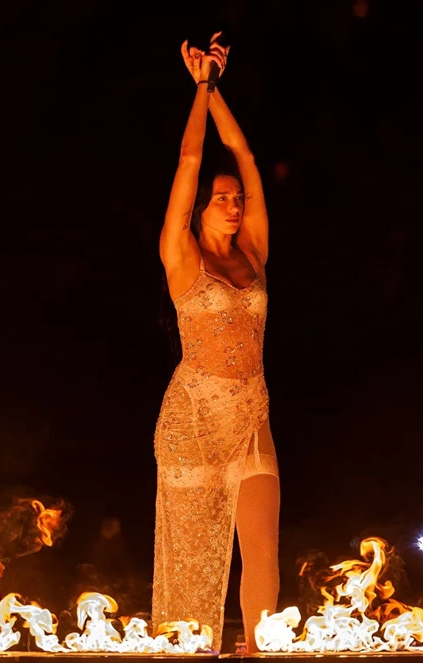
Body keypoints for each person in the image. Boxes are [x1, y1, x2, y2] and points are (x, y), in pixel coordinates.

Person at [152, 32, 280, 654]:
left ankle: (259, 649)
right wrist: (199, 89)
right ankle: (182, 650)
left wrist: (221, 89)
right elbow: (188, 160)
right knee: (191, 561)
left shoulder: (254, 250)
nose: (233, 205)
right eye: (222, 199)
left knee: (261, 550)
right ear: (201, 207)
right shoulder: (182, 256)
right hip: (193, 416)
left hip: (251, 409)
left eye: (237, 199)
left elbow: (246, 155)